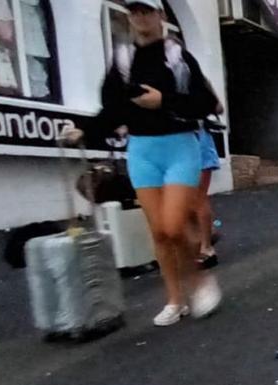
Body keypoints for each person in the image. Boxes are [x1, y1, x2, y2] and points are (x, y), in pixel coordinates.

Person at [63, 0, 220, 327]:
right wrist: (85, 130)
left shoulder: (178, 57)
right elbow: (112, 109)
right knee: (159, 234)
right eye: (134, 12)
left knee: (173, 225)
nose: (140, 18)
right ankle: (175, 300)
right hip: (141, 150)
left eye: (147, 11)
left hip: (180, 147)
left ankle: (199, 281)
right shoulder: (123, 60)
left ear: (161, 16)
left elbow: (206, 103)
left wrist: (163, 100)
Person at [193, 103, 223, 269]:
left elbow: (217, 107)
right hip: (172, 145)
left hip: (197, 141)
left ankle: (206, 247)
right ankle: (205, 235)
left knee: (197, 197)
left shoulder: (194, 81)